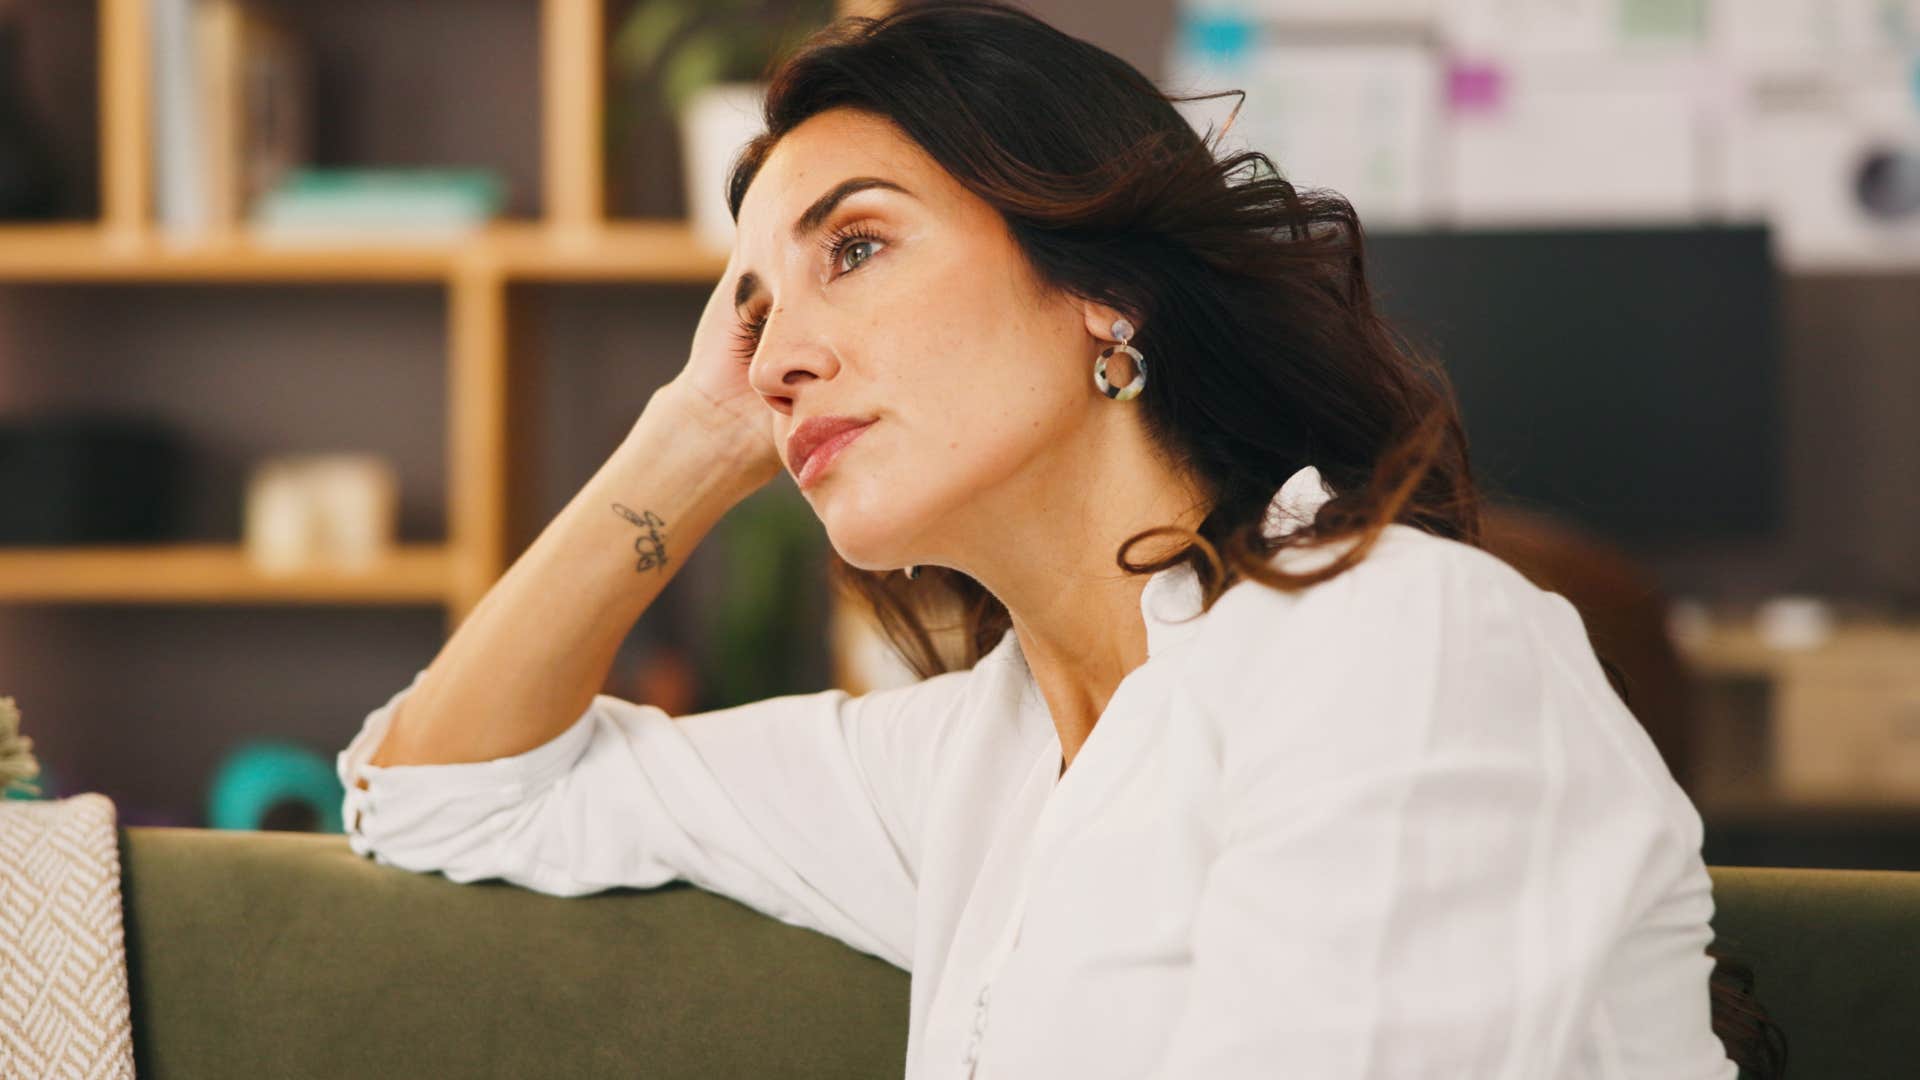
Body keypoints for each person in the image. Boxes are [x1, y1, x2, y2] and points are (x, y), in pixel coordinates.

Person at [336, 3, 1780, 1076]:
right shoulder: (975, 760)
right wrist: (698, 427)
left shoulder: (1397, 644)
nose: (775, 355)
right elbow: (444, 799)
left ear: (1102, 289)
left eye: (855, 249)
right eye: (758, 311)